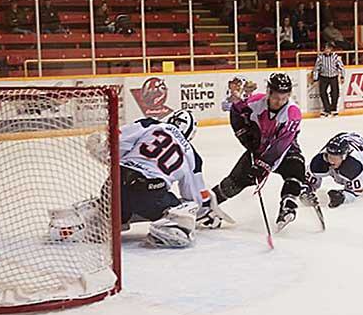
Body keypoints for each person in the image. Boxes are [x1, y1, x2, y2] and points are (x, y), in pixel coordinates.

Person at [81, 110, 227, 248]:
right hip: (149, 195)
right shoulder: (192, 156)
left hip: (113, 185)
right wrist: (206, 211)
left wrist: (101, 150)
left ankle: (102, 218)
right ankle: (169, 229)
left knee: (119, 205)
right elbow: (193, 198)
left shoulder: (150, 124)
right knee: (184, 209)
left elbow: (117, 143)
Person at [201, 73, 306, 231]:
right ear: (268, 92)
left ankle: (288, 205)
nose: (280, 101)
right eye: (276, 97)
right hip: (258, 147)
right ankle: (204, 205)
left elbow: (280, 145)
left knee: (296, 168)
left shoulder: (292, 113)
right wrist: (243, 135)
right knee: (235, 182)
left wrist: (263, 164)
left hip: (285, 149)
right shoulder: (255, 102)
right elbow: (236, 111)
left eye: (284, 97)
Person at [313, 43, 345, 117]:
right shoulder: (320, 57)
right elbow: (316, 68)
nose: (327, 50)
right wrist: (315, 78)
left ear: (331, 49)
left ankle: (333, 108)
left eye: (328, 49)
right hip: (323, 77)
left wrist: (342, 76)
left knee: (335, 93)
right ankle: (327, 109)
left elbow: (341, 67)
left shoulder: (336, 57)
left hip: (333, 76)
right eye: (325, 49)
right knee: (323, 93)